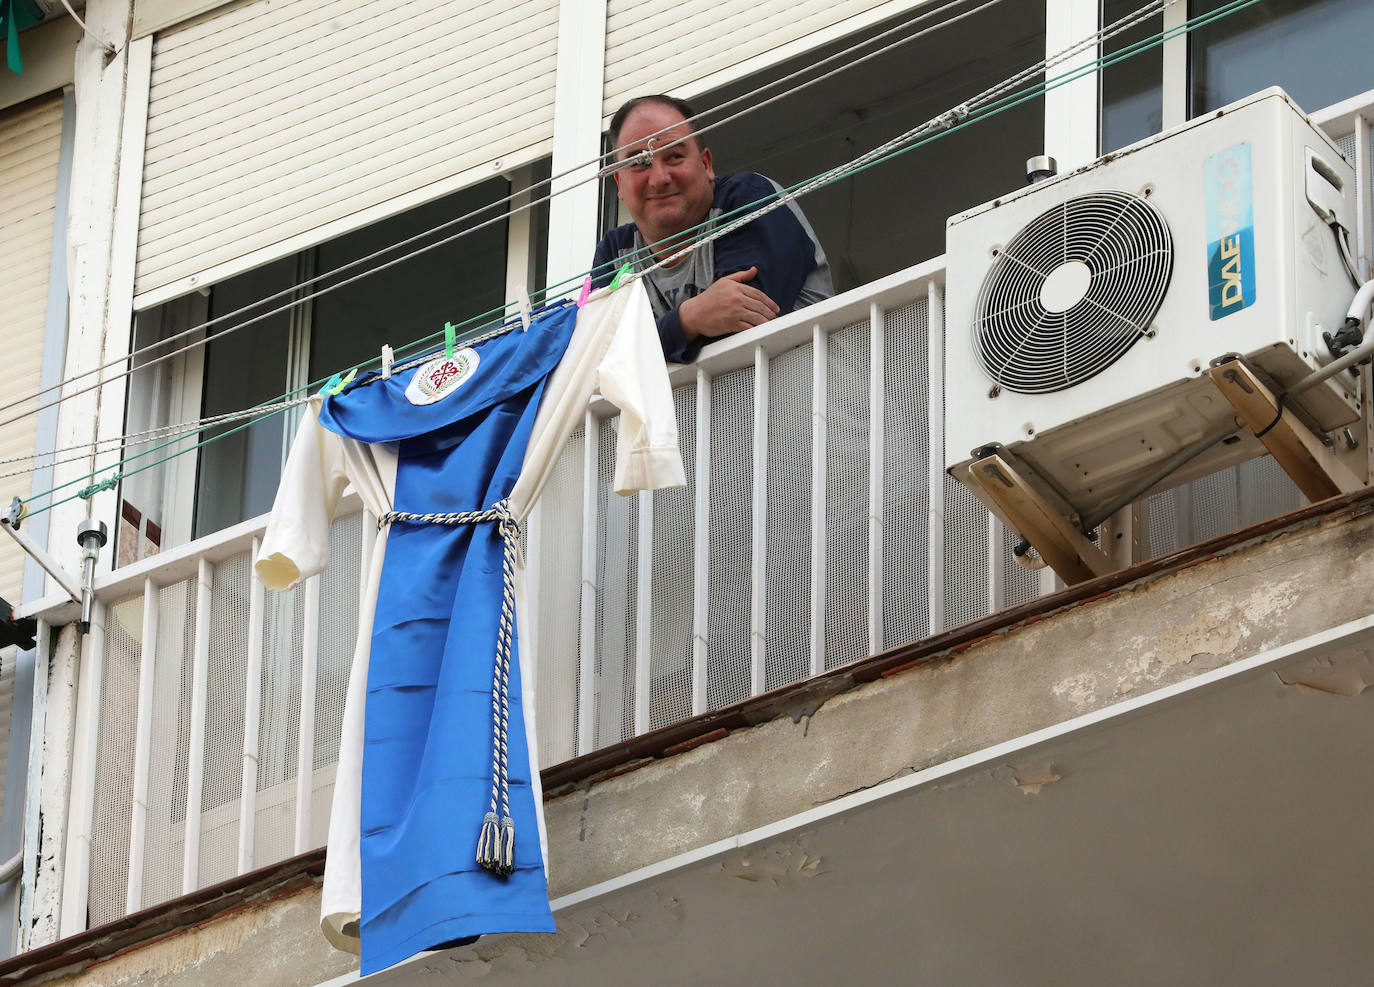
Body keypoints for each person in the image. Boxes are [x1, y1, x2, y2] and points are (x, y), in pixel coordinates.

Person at [592, 94, 834, 363]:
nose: (659, 178)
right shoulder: (614, 253)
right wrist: (689, 318)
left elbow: (739, 328)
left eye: (674, 156)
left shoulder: (747, 198)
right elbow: (591, 362)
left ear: (706, 164)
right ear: (619, 183)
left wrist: (637, 348)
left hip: (817, 400)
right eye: (639, 163)